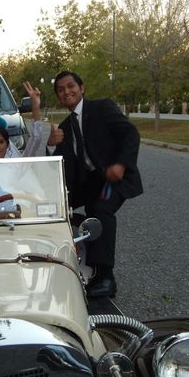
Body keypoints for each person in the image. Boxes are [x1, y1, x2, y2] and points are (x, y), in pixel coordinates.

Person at [47, 70, 142, 298]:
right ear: (59, 97)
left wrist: (120, 164)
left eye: (71, 86)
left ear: (82, 88)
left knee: (101, 210)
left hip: (112, 177)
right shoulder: (64, 127)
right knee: (54, 208)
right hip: (88, 182)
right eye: (61, 90)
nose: (67, 92)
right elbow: (61, 166)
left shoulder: (102, 108)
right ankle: (67, 265)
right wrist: (51, 144)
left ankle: (106, 278)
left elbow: (131, 134)